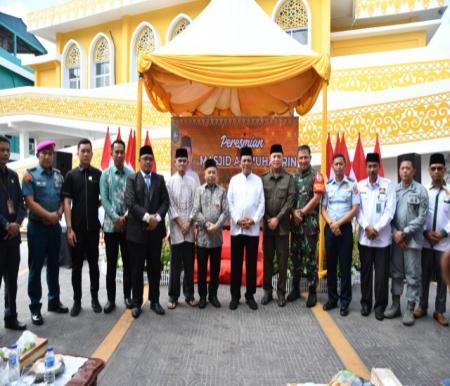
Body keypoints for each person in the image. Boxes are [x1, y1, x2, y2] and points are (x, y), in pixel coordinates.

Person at [22, 140, 68, 325]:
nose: (48, 157)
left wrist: (57, 214)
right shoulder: (29, 176)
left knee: (54, 266)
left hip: (54, 227)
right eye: (44, 153)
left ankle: (54, 301)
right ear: (38, 155)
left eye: (50, 153)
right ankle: (35, 307)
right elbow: (29, 202)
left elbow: (63, 199)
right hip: (37, 228)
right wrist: (48, 216)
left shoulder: (59, 176)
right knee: (36, 267)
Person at [125, 145, 169, 318]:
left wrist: (156, 218)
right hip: (137, 233)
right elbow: (130, 203)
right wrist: (147, 217)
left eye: (151, 159)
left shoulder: (160, 179)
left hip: (155, 233)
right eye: (145, 159)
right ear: (139, 161)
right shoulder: (132, 180)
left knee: (154, 268)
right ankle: (137, 303)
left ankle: (155, 301)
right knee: (136, 269)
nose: (148, 162)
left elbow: (165, 202)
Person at [384, 155, 428, 326]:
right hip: (396, 241)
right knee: (395, 274)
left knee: (412, 275)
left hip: (413, 242)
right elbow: (389, 214)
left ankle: (410, 307)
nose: (404, 171)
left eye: (408, 168)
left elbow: (422, 217)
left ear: (414, 171)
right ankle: (395, 305)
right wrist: (396, 233)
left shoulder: (421, 191)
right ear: (399, 171)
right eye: (402, 168)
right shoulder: (394, 190)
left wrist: (405, 233)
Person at [63, 138, 102, 317]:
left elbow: (104, 200)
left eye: (88, 151)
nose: (86, 154)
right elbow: (67, 202)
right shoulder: (71, 175)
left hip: (93, 230)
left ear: (92, 154)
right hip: (76, 231)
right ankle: (77, 301)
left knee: (94, 266)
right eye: (83, 151)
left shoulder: (98, 174)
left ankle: (94, 299)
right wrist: (69, 229)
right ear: (78, 153)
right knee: (77, 267)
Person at [356, 153, 396, 321]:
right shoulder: (360, 185)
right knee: (365, 273)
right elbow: (357, 210)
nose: (372, 169)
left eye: (374, 166)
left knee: (381, 275)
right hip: (365, 238)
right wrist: (367, 227)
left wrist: (377, 228)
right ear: (366, 167)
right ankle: (365, 303)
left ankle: (380, 306)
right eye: (369, 166)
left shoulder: (388, 186)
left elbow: (390, 211)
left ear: (379, 167)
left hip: (382, 240)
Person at [321, 154, 359, 316]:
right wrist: (331, 223)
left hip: (345, 230)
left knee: (344, 266)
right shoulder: (327, 186)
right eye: (335, 164)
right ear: (332, 166)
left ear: (345, 166)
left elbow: (355, 208)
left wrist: (339, 224)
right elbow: (323, 208)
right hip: (330, 229)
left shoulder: (352, 185)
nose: (338, 167)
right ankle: (332, 299)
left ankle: (345, 302)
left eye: (341, 164)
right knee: (331, 265)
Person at [414, 153, 449, 326]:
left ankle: (440, 311)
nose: (436, 172)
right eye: (433, 169)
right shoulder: (424, 191)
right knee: (424, 276)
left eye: (439, 169)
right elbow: (418, 215)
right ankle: (422, 306)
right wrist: (426, 232)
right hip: (426, 242)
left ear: (445, 170)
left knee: (442, 279)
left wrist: (443, 233)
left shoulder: (449, 191)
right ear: (429, 171)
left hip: (443, 244)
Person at [287, 145, 325, 307]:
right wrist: (293, 212)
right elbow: (289, 199)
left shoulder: (317, 176)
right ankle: (295, 288)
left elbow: (317, 198)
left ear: (310, 158)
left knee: (310, 259)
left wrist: (301, 213)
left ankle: (312, 291)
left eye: (305, 157)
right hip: (295, 226)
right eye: (300, 158)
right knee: (295, 258)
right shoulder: (293, 178)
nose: (303, 160)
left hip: (310, 225)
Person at [227, 146, 265, 310]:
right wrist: (237, 220)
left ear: (252, 162)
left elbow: (262, 204)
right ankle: (235, 296)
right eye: (244, 160)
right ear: (239, 162)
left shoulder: (258, 180)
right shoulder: (234, 180)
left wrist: (253, 220)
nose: (246, 163)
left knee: (251, 264)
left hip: (253, 230)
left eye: (249, 160)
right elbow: (230, 203)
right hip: (237, 229)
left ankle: (250, 296)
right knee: (236, 263)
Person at [100, 139, 134, 313]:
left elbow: (133, 200)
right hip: (111, 227)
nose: (119, 155)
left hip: (127, 227)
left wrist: (125, 217)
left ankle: (127, 297)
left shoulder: (131, 174)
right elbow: (104, 200)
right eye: (116, 152)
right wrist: (115, 217)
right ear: (111, 154)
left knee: (128, 263)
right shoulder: (105, 175)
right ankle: (110, 300)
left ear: (125, 153)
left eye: (122, 152)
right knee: (112, 264)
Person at [261, 144, 295, 307]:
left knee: (282, 262)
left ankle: (281, 293)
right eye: (273, 156)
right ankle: (267, 291)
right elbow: (261, 203)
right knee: (267, 261)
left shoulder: (289, 179)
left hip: (282, 229)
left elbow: (290, 202)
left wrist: (277, 219)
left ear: (283, 159)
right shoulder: (263, 179)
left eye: (279, 156)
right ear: (270, 159)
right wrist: (269, 219)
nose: (276, 159)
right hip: (268, 229)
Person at [192, 158, 229, 308]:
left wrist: (217, 225)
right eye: (209, 172)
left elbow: (226, 211)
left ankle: (213, 295)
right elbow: (195, 211)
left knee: (215, 269)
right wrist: (207, 224)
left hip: (216, 239)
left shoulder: (222, 192)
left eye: (214, 172)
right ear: (204, 174)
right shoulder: (199, 191)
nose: (211, 175)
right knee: (201, 269)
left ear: (217, 174)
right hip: (202, 238)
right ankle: (202, 297)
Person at [167, 148, 199, 309]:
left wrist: (189, 223)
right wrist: (181, 224)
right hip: (176, 230)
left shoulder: (193, 182)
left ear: (187, 163)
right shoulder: (170, 182)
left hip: (189, 229)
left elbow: (196, 204)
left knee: (188, 265)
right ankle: (173, 297)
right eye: (179, 160)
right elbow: (170, 206)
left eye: (184, 161)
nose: (181, 163)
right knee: (175, 266)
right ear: (175, 163)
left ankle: (189, 295)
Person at [0, 135, 26, 330]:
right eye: (1, 150)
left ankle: (11, 317)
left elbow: (20, 205)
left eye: (7, 150)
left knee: (12, 282)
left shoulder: (12, 176)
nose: (6, 153)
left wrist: (16, 224)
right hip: (1, 236)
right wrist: (6, 225)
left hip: (13, 238)